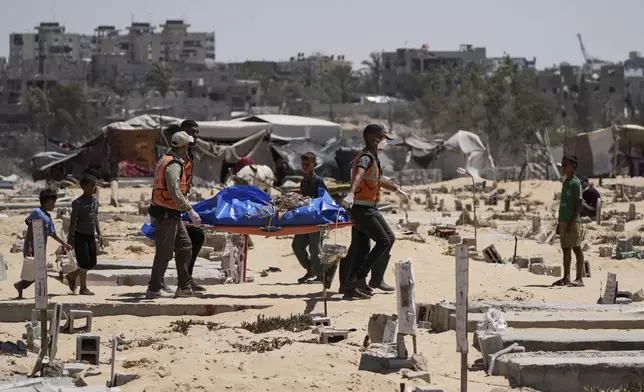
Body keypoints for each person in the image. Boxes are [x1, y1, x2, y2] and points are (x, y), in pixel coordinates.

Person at [341, 123, 410, 299]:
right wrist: (349, 193)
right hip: (362, 209)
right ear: (375, 139)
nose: (385, 141)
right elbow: (359, 175)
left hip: (367, 207)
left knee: (364, 248)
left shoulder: (373, 157)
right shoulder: (366, 158)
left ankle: (357, 284)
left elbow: (377, 178)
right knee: (384, 241)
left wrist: (397, 190)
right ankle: (358, 279)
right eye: (384, 138)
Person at [147, 131, 202, 299]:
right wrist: (189, 210)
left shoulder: (167, 159)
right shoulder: (173, 165)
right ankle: (154, 288)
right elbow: (174, 189)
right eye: (187, 146)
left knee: (185, 247)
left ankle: (184, 287)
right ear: (183, 147)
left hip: (171, 213)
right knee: (164, 253)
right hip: (166, 214)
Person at [14, 189, 72, 298]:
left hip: (41, 247)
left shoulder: (48, 217)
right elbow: (30, 229)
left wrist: (64, 244)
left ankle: (23, 287)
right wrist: (29, 248)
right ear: (48, 201)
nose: (54, 205)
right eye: (53, 202)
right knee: (39, 273)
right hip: (33, 247)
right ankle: (33, 292)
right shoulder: (37, 212)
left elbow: (52, 233)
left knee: (39, 273)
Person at [177, 120, 206, 292]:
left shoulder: (189, 154)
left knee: (197, 237)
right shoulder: (176, 155)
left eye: (197, 132)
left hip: (182, 203)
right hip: (172, 205)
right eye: (192, 132)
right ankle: (158, 283)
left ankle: (187, 279)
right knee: (186, 242)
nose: (195, 135)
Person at [292, 152, 327, 283]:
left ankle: (320, 275)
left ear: (314, 165)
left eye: (308, 164)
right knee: (297, 246)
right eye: (303, 164)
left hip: (317, 220)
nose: (305, 166)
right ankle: (310, 270)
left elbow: (324, 200)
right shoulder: (304, 181)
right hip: (305, 219)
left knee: (315, 249)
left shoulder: (318, 181)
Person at [65, 175, 102, 296]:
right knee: (84, 261)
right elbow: (73, 221)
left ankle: (72, 275)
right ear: (85, 187)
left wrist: (99, 233)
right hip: (80, 235)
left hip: (91, 235)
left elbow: (95, 218)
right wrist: (70, 237)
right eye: (93, 185)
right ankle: (83, 288)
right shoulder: (78, 203)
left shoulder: (95, 201)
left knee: (92, 262)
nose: (95, 188)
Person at [552, 155, 585, 287]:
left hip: (573, 221)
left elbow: (580, 204)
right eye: (563, 165)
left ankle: (579, 278)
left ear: (573, 166)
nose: (563, 168)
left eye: (566, 165)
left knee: (576, 248)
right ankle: (566, 277)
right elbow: (563, 203)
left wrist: (571, 221)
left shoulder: (576, 183)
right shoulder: (565, 182)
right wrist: (560, 223)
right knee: (566, 249)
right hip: (564, 220)